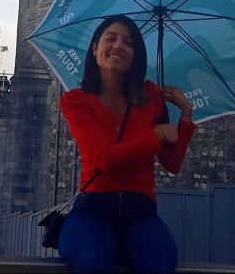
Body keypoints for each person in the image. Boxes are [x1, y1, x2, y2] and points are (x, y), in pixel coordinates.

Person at [57, 14, 197, 273]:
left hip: (140, 212)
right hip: (94, 209)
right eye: (110, 39)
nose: (118, 46)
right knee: (94, 264)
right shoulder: (77, 101)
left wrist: (186, 117)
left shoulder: (151, 98)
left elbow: (172, 163)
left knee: (161, 264)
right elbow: (102, 159)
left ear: (136, 55)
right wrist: (155, 136)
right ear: (95, 48)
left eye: (128, 42)